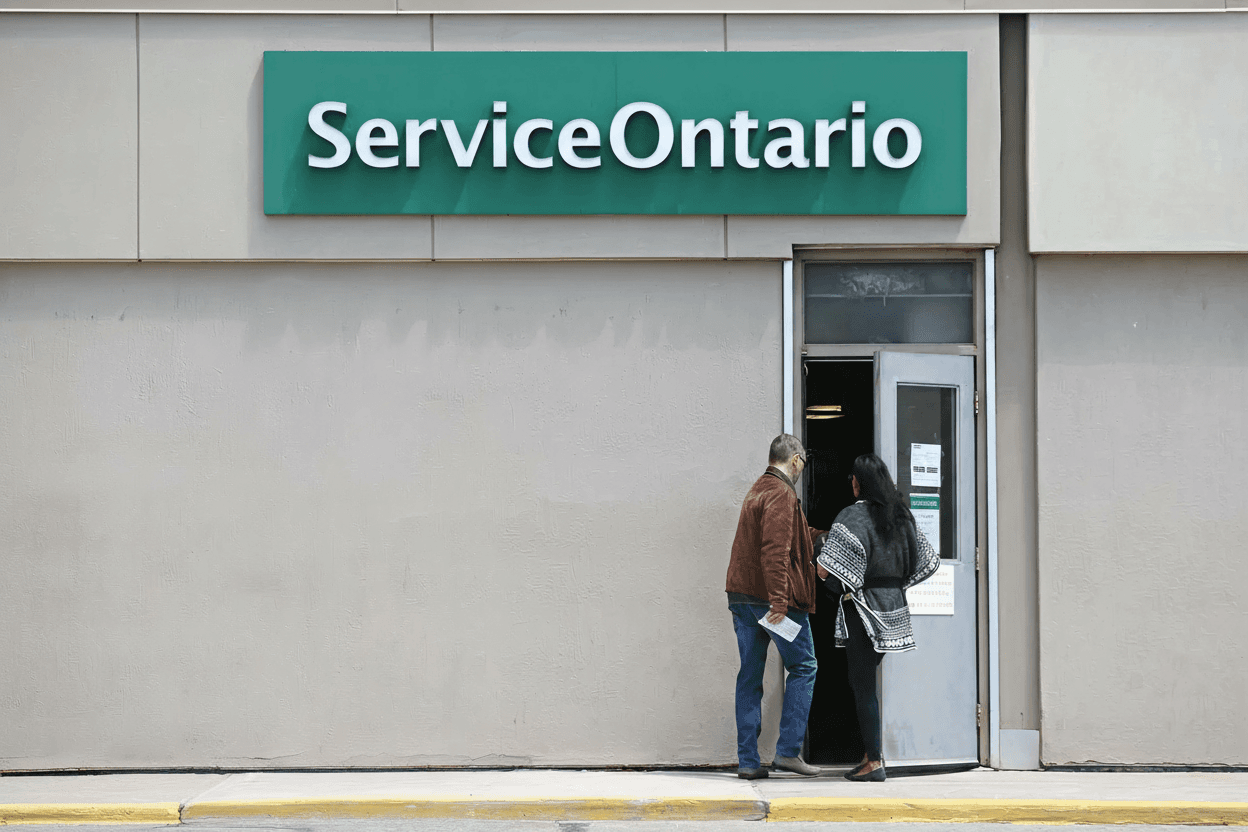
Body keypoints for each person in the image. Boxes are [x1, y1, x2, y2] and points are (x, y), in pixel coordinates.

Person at [815, 453, 939, 782]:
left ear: (859, 482)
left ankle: (873, 761)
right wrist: (895, 584)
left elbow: (825, 570)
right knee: (866, 682)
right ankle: (870, 755)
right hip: (894, 610)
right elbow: (929, 561)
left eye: (853, 479)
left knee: (863, 687)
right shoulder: (902, 516)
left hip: (864, 611)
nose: (851, 484)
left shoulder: (853, 517)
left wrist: (820, 552)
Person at [725, 434, 824, 779]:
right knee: (804, 666)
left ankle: (748, 761)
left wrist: (820, 537)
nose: (802, 469)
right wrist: (780, 602)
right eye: (803, 463)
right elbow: (775, 550)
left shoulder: (759, 489)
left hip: (742, 598)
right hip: (770, 603)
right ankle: (788, 752)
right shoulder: (782, 493)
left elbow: (790, 536)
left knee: (750, 676)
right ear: (795, 460)